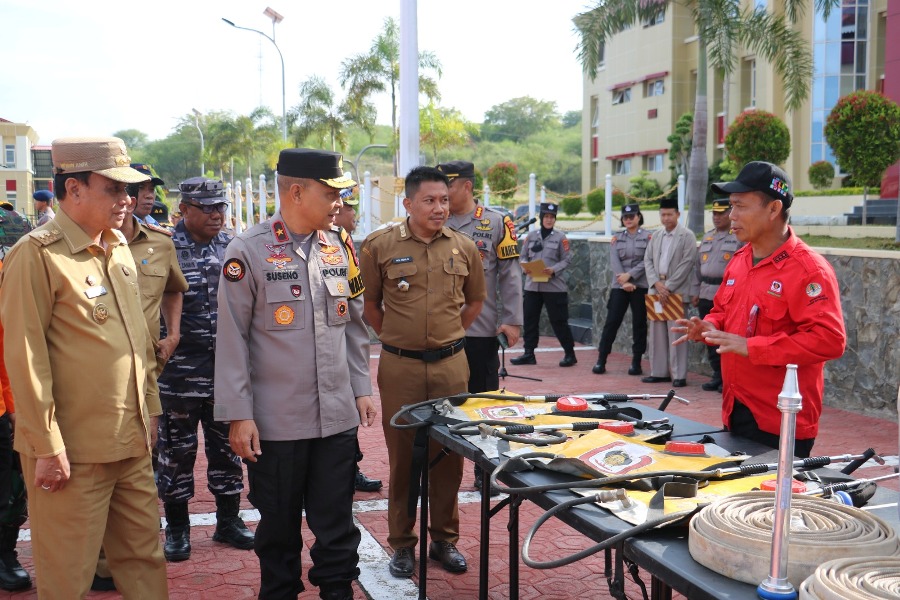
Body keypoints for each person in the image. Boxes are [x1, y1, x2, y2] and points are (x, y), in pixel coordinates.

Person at [0, 136, 168, 598]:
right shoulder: (37, 256)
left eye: (129, 190)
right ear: (73, 189)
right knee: (68, 576)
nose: (128, 200)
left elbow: (139, 342)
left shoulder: (116, 248)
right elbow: (26, 359)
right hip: (71, 453)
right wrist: (46, 446)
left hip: (128, 441)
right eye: (114, 189)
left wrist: (150, 408)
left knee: (144, 562)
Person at [215, 149, 375, 600]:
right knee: (279, 531)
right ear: (298, 191)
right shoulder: (246, 250)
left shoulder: (337, 245)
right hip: (277, 425)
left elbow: (353, 325)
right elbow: (232, 341)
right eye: (331, 193)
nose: (339, 203)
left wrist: (360, 387)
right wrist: (238, 415)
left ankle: (337, 592)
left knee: (338, 526)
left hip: (337, 419)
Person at [359, 166, 485, 579]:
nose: (438, 208)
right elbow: (371, 306)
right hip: (400, 367)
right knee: (403, 456)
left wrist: (447, 340)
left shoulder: (465, 247)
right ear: (408, 203)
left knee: (449, 456)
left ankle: (444, 539)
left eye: (444, 200)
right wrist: (400, 339)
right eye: (429, 200)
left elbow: (474, 303)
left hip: (451, 366)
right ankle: (402, 544)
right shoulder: (379, 245)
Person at [674, 161, 846, 457]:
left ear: (773, 209)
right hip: (736, 407)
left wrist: (752, 347)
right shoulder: (741, 259)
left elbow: (830, 340)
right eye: (730, 206)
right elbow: (723, 311)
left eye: (740, 206)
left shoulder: (808, 270)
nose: (732, 216)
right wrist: (710, 327)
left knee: (773, 502)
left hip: (781, 419)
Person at [156, 177, 253, 562]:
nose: (216, 214)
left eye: (221, 207)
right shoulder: (163, 247)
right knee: (176, 453)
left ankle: (229, 521)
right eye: (208, 208)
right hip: (178, 373)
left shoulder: (232, 245)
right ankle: (177, 529)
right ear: (185, 210)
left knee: (228, 449)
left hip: (224, 372)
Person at [437, 159, 523, 495]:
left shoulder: (496, 222)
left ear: (467, 187)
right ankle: (442, 467)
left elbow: (511, 274)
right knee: (443, 401)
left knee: (482, 401)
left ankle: (484, 468)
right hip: (440, 331)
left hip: (480, 330)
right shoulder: (433, 220)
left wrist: (513, 320)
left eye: (449, 186)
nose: (442, 194)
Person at [333, 186, 382, 494]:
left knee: (350, 413)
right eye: (350, 208)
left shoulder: (343, 242)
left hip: (344, 348)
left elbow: (355, 302)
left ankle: (351, 468)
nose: (353, 214)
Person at [511, 202, 577, 367]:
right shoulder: (531, 236)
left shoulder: (560, 237)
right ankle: (529, 353)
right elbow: (523, 256)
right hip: (533, 286)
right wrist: (525, 266)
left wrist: (554, 270)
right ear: (541, 218)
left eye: (551, 217)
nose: (549, 220)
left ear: (555, 219)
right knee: (530, 319)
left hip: (554, 287)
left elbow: (567, 259)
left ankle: (570, 354)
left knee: (559, 321)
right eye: (546, 217)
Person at [641, 197, 698, 387]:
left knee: (677, 331)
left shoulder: (687, 235)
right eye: (663, 215)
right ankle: (659, 372)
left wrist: (669, 286)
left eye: (669, 214)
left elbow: (687, 263)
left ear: (678, 214)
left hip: (676, 291)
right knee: (657, 333)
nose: (666, 218)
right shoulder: (656, 236)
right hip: (657, 290)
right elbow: (647, 260)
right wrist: (656, 283)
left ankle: (679, 375)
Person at [690, 198, 743, 392]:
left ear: (729, 213)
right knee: (709, 338)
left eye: (721, 213)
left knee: (725, 338)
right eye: (714, 213)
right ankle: (717, 375)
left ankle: (727, 379)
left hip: (726, 294)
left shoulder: (737, 238)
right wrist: (695, 291)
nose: (717, 217)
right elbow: (697, 267)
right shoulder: (707, 237)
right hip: (706, 292)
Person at [593, 203, 650, 376]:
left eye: (631, 216)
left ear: (638, 217)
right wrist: (623, 279)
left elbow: (648, 260)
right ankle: (601, 359)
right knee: (612, 322)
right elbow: (614, 260)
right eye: (625, 217)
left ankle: (636, 362)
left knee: (639, 324)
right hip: (620, 285)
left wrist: (630, 276)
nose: (628, 220)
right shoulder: (617, 238)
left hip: (640, 285)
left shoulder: (648, 237)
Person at [0, 262, 30, 591]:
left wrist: (12, 405)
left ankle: (5, 554)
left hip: (2, 405)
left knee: (10, 488)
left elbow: (4, 344)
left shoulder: (5, 271)